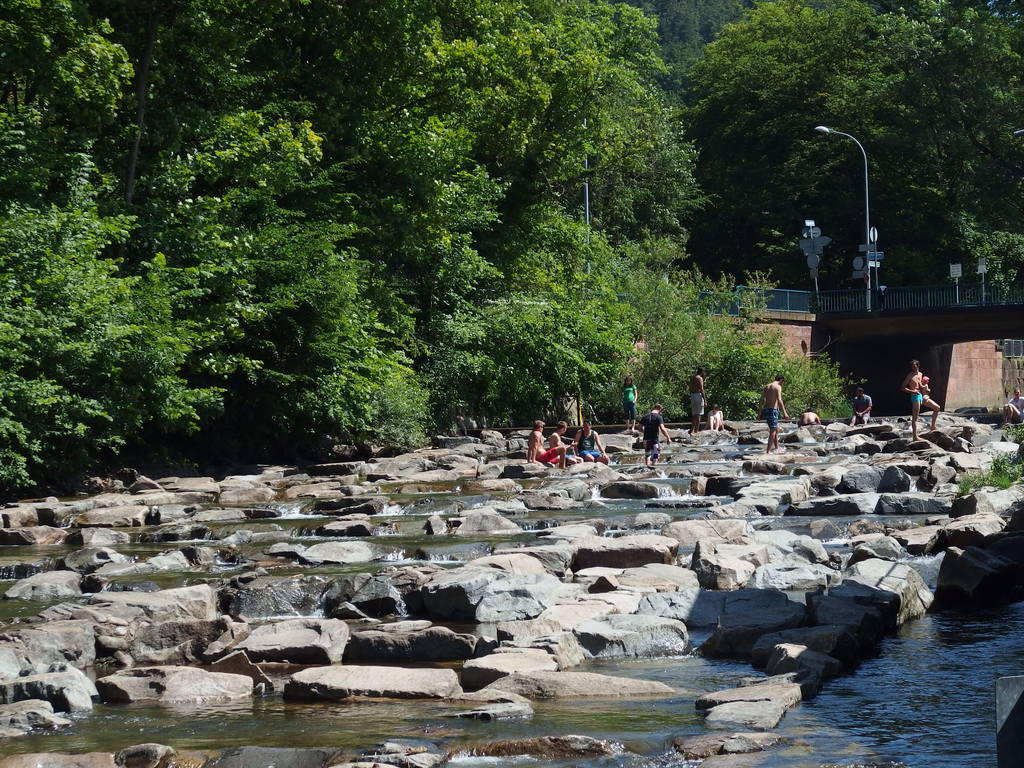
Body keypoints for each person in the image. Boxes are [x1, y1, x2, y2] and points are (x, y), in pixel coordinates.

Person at [901, 359, 941, 440]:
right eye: (912, 366)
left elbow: (921, 386)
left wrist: (927, 390)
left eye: (914, 365)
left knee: (937, 408)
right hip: (915, 396)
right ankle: (915, 437)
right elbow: (902, 387)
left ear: (918, 365)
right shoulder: (910, 375)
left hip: (922, 396)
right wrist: (912, 391)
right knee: (915, 417)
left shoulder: (920, 374)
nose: (913, 367)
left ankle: (932, 426)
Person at [760, 375, 790, 454]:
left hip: (766, 410)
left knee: (775, 430)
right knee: (773, 431)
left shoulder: (767, 386)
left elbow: (761, 401)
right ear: (781, 380)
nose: (782, 384)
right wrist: (785, 413)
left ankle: (777, 448)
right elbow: (779, 400)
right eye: (782, 382)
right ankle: (768, 451)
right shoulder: (777, 387)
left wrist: (759, 413)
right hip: (772, 410)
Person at [689, 367, 706, 435]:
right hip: (698, 396)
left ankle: (692, 430)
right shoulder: (700, 378)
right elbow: (701, 389)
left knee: (694, 414)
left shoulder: (693, 378)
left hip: (692, 395)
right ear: (702, 372)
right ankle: (696, 431)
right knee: (699, 414)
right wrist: (705, 399)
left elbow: (689, 388)